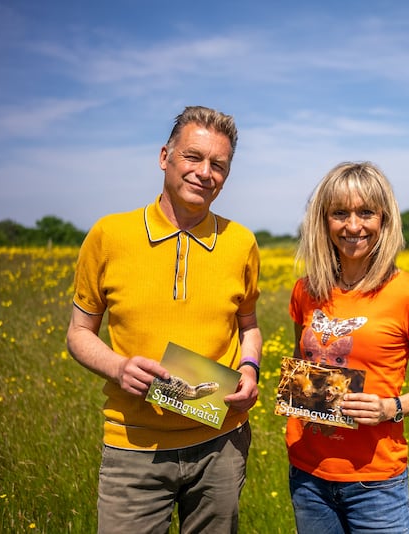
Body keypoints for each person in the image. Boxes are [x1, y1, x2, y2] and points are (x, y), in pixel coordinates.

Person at [66, 105, 262, 533]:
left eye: (219, 165)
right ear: (164, 157)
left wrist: (249, 368)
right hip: (132, 447)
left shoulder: (241, 242)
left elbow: (249, 325)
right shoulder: (108, 235)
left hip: (222, 445)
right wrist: (117, 367)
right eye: (193, 157)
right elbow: (79, 333)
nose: (204, 172)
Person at [286, 161, 409, 533]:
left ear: (384, 219)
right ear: (324, 221)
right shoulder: (306, 289)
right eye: (340, 213)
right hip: (307, 474)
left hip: (375, 481)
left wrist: (389, 408)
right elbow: (304, 364)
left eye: (366, 213)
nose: (353, 226)